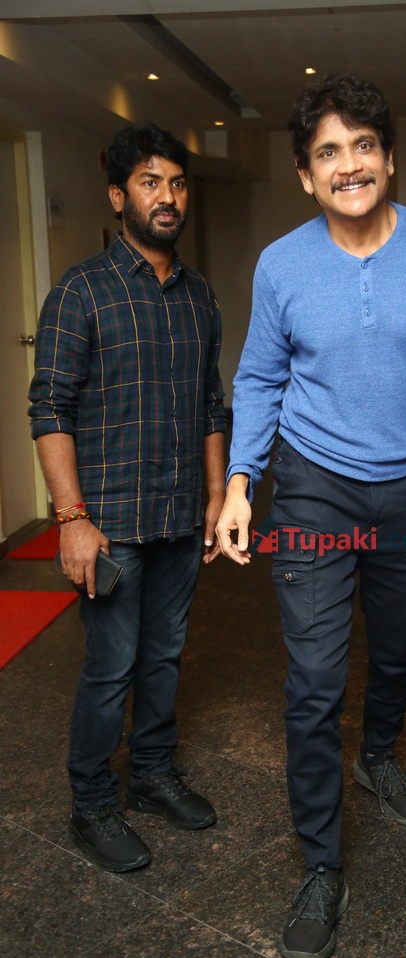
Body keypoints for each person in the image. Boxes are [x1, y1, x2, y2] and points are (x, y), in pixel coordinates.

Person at [217, 73, 406, 958]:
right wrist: (240, 481)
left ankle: (378, 754)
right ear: (307, 175)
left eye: (363, 146)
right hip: (314, 488)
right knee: (312, 680)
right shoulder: (281, 265)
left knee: (400, 645)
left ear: (390, 157)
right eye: (329, 153)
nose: (350, 165)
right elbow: (259, 377)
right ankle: (320, 864)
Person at [28, 123, 227, 874]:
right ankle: (91, 804)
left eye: (175, 183)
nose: (166, 197)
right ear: (119, 197)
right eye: (149, 182)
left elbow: (211, 405)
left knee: (165, 656)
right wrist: (71, 519)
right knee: (111, 666)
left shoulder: (199, 295)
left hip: (178, 515)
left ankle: (150, 775)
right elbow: (50, 406)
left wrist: (216, 495)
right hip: (108, 524)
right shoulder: (80, 291)